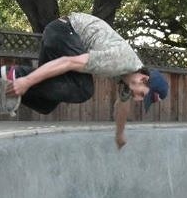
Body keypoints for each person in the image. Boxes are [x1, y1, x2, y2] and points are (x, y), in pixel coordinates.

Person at [9, 12, 168, 149]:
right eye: (142, 95)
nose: (139, 99)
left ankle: (5, 89)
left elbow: (122, 106)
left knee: (45, 104)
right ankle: (11, 75)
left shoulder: (129, 79)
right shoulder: (119, 60)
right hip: (64, 30)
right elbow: (68, 62)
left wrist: (119, 135)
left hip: (60, 35)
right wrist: (26, 81)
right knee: (83, 89)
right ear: (143, 79)